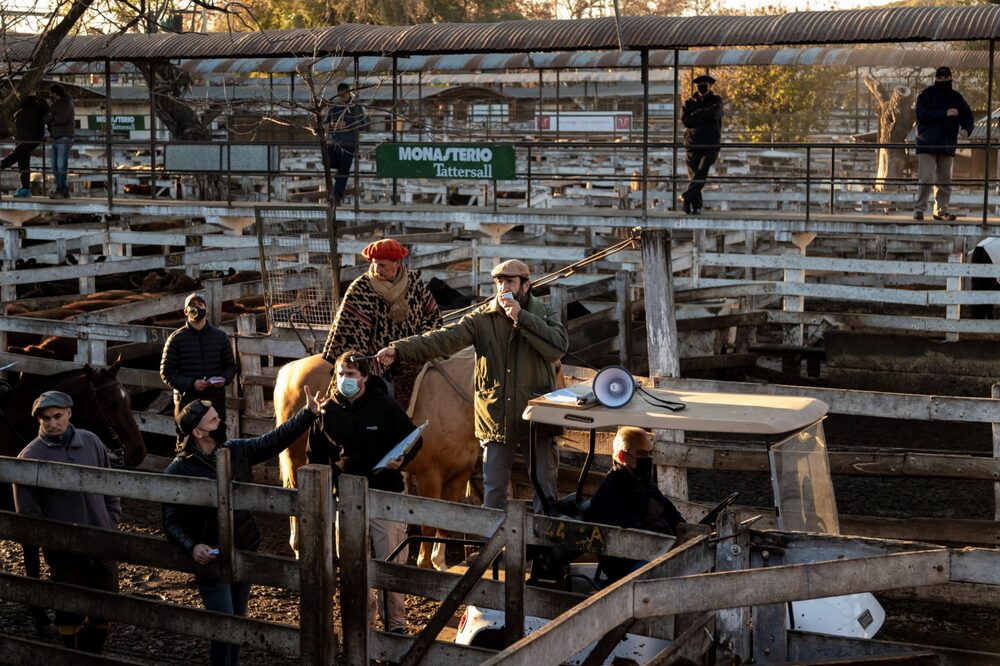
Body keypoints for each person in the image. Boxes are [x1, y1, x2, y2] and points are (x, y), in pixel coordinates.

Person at [376, 259, 568, 513]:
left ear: (526, 285)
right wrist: (400, 349)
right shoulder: (483, 319)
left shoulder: (543, 315)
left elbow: (557, 347)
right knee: (494, 488)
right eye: (499, 282)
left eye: (509, 282)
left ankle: (545, 547)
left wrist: (522, 318)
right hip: (498, 416)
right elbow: (444, 339)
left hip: (537, 417)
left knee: (544, 485)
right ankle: (492, 546)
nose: (503, 288)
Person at [162, 387, 327, 666]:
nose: (221, 423)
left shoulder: (236, 450)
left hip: (244, 547)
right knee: (223, 628)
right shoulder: (178, 471)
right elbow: (171, 521)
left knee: (238, 626)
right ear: (198, 433)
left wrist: (308, 414)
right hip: (210, 556)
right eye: (214, 421)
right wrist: (192, 545)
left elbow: (275, 440)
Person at [307, 350, 422, 634]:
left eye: (351, 375)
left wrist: (402, 460)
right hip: (346, 497)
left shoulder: (385, 406)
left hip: (385, 494)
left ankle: (395, 625)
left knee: (389, 561)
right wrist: (328, 490)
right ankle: (361, 624)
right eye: (341, 374)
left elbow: (413, 439)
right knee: (351, 564)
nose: (345, 380)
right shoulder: (328, 410)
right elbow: (316, 455)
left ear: (365, 377)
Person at [13, 391, 121, 653]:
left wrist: (112, 519)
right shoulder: (29, 456)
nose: (52, 423)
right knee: (68, 609)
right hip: (65, 550)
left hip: (102, 540)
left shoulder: (91, 441)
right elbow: (28, 512)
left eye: (58, 416)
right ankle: (72, 657)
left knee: (104, 605)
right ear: (39, 420)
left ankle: (93, 655)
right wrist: (54, 541)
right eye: (46, 418)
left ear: (69, 413)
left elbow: (111, 484)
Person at [321, 238, 442, 408]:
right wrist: (366, 364)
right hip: (374, 363)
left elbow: (432, 317)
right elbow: (348, 334)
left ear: (397, 263)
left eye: (383, 265)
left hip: (412, 356)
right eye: (375, 264)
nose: (377, 269)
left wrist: (416, 346)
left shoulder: (415, 283)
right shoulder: (360, 288)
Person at [584, 427, 686, 583]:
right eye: (640, 454)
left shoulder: (644, 484)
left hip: (658, 552)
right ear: (622, 456)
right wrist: (671, 547)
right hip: (631, 566)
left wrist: (688, 534)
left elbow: (672, 514)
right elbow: (637, 539)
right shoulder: (612, 494)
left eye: (649, 453)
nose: (647, 459)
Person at [160, 292, 237, 447]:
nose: (197, 308)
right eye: (192, 305)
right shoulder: (176, 339)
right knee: (187, 446)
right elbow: (166, 372)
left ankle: (219, 471)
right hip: (188, 405)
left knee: (217, 443)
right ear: (185, 311)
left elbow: (231, 366)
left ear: (206, 309)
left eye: (200, 305)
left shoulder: (220, 337)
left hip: (215, 402)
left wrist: (223, 379)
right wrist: (191, 383)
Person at [913, 66, 974, 221]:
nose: (944, 81)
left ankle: (941, 210)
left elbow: (968, 116)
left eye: (946, 78)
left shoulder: (956, 97)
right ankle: (919, 209)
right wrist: (944, 113)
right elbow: (921, 114)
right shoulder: (926, 95)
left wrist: (966, 130)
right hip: (927, 144)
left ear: (950, 78)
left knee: (945, 180)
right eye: (941, 78)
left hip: (947, 144)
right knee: (926, 178)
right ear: (936, 79)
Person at [680, 74, 724, 215]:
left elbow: (715, 114)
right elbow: (686, 120)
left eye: (705, 83)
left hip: (710, 144)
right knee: (695, 175)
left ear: (710, 85)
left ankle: (687, 198)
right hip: (692, 144)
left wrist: (696, 116)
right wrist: (704, 115)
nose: (702, 86)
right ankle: (695, 206)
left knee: (702, 171)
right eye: (699, 83)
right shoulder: (689, 102)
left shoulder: (716, 101)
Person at [325, 82, 366, 205]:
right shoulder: (334, 107)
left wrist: (348, 125)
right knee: (328, 161)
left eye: (344, 96)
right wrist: (332, 125)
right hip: (334, 142)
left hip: (349, 142)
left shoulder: (356, 107)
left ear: (349, 93)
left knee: (344, 170)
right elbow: (325, 123)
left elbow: (363, 124)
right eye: (340, 96)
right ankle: (337, 172)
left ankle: (337, 195)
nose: (342, 98)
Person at [1, 93, 48, 197]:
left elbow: (46, 116)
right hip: (26, 138)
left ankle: (3, 164)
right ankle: (25, 188)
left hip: (30, 138)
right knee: (23, 163)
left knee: (18, 155)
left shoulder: (30, 107)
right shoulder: (24, 107)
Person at [45, 84, 75, 199]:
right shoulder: (56, 104)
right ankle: (62, 189)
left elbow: (60, 119)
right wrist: (52, 116)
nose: (50, 95)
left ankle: (61, 190)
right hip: (56, 137)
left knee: (61, 164)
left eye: (51, 93)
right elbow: (46, 118)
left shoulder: (67, 103)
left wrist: (51, 117)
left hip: (65, 136)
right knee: (54, 165)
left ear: (55, 93)